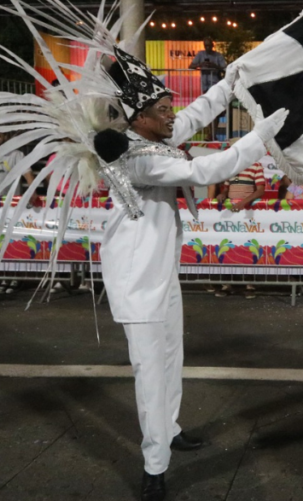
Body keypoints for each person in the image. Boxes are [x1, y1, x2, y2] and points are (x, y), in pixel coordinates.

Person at [101, 49, 288, 501]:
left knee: (170, 359)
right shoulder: (139, 157)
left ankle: (170, 430)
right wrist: (258, 138)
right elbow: (203, 169)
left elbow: (196, 113)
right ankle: (155, 466)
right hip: (137, 281)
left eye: (169, 107)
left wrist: (231, 82)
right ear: (139, 116)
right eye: (163, 109)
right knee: (150, 374)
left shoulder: (155, 136)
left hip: (161, 274)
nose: (172, 115)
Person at [214, 159, 266, 299]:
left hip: (247, 212)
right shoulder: (230, 165)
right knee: (228, 245)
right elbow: (226, 186)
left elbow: (261, 189)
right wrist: (223, 193)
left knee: (248, 246)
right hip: (232, 212)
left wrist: (243, 202)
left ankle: (249, 285)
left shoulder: (256, 165)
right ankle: (227, 283)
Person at [188, 39, 228, 140]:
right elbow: (190, 66)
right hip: (205, 86)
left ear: (213, 45)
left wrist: (215, 66)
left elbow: (225, 68)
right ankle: (211, 134)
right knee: (208, 110)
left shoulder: (218, 56)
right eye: (206, 46)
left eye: (209, 45)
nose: (208, 48)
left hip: (216, 85)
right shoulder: (201, 54)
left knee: (216, 110)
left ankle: (212, 134)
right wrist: (200, 65)